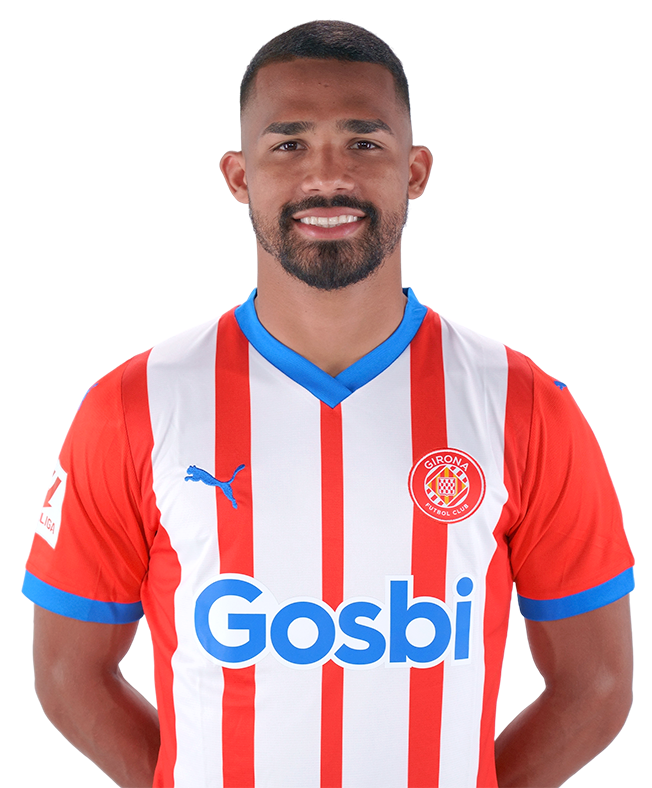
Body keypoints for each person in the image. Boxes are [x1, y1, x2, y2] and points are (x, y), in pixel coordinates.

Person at [24, 19, 634, 788]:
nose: (327, 176)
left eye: (363, 143)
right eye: (288, 145)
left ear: (415, 170)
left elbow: (597, 684)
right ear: (239, 177)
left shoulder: (526, 405)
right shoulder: (131, 404)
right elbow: (67, 671)